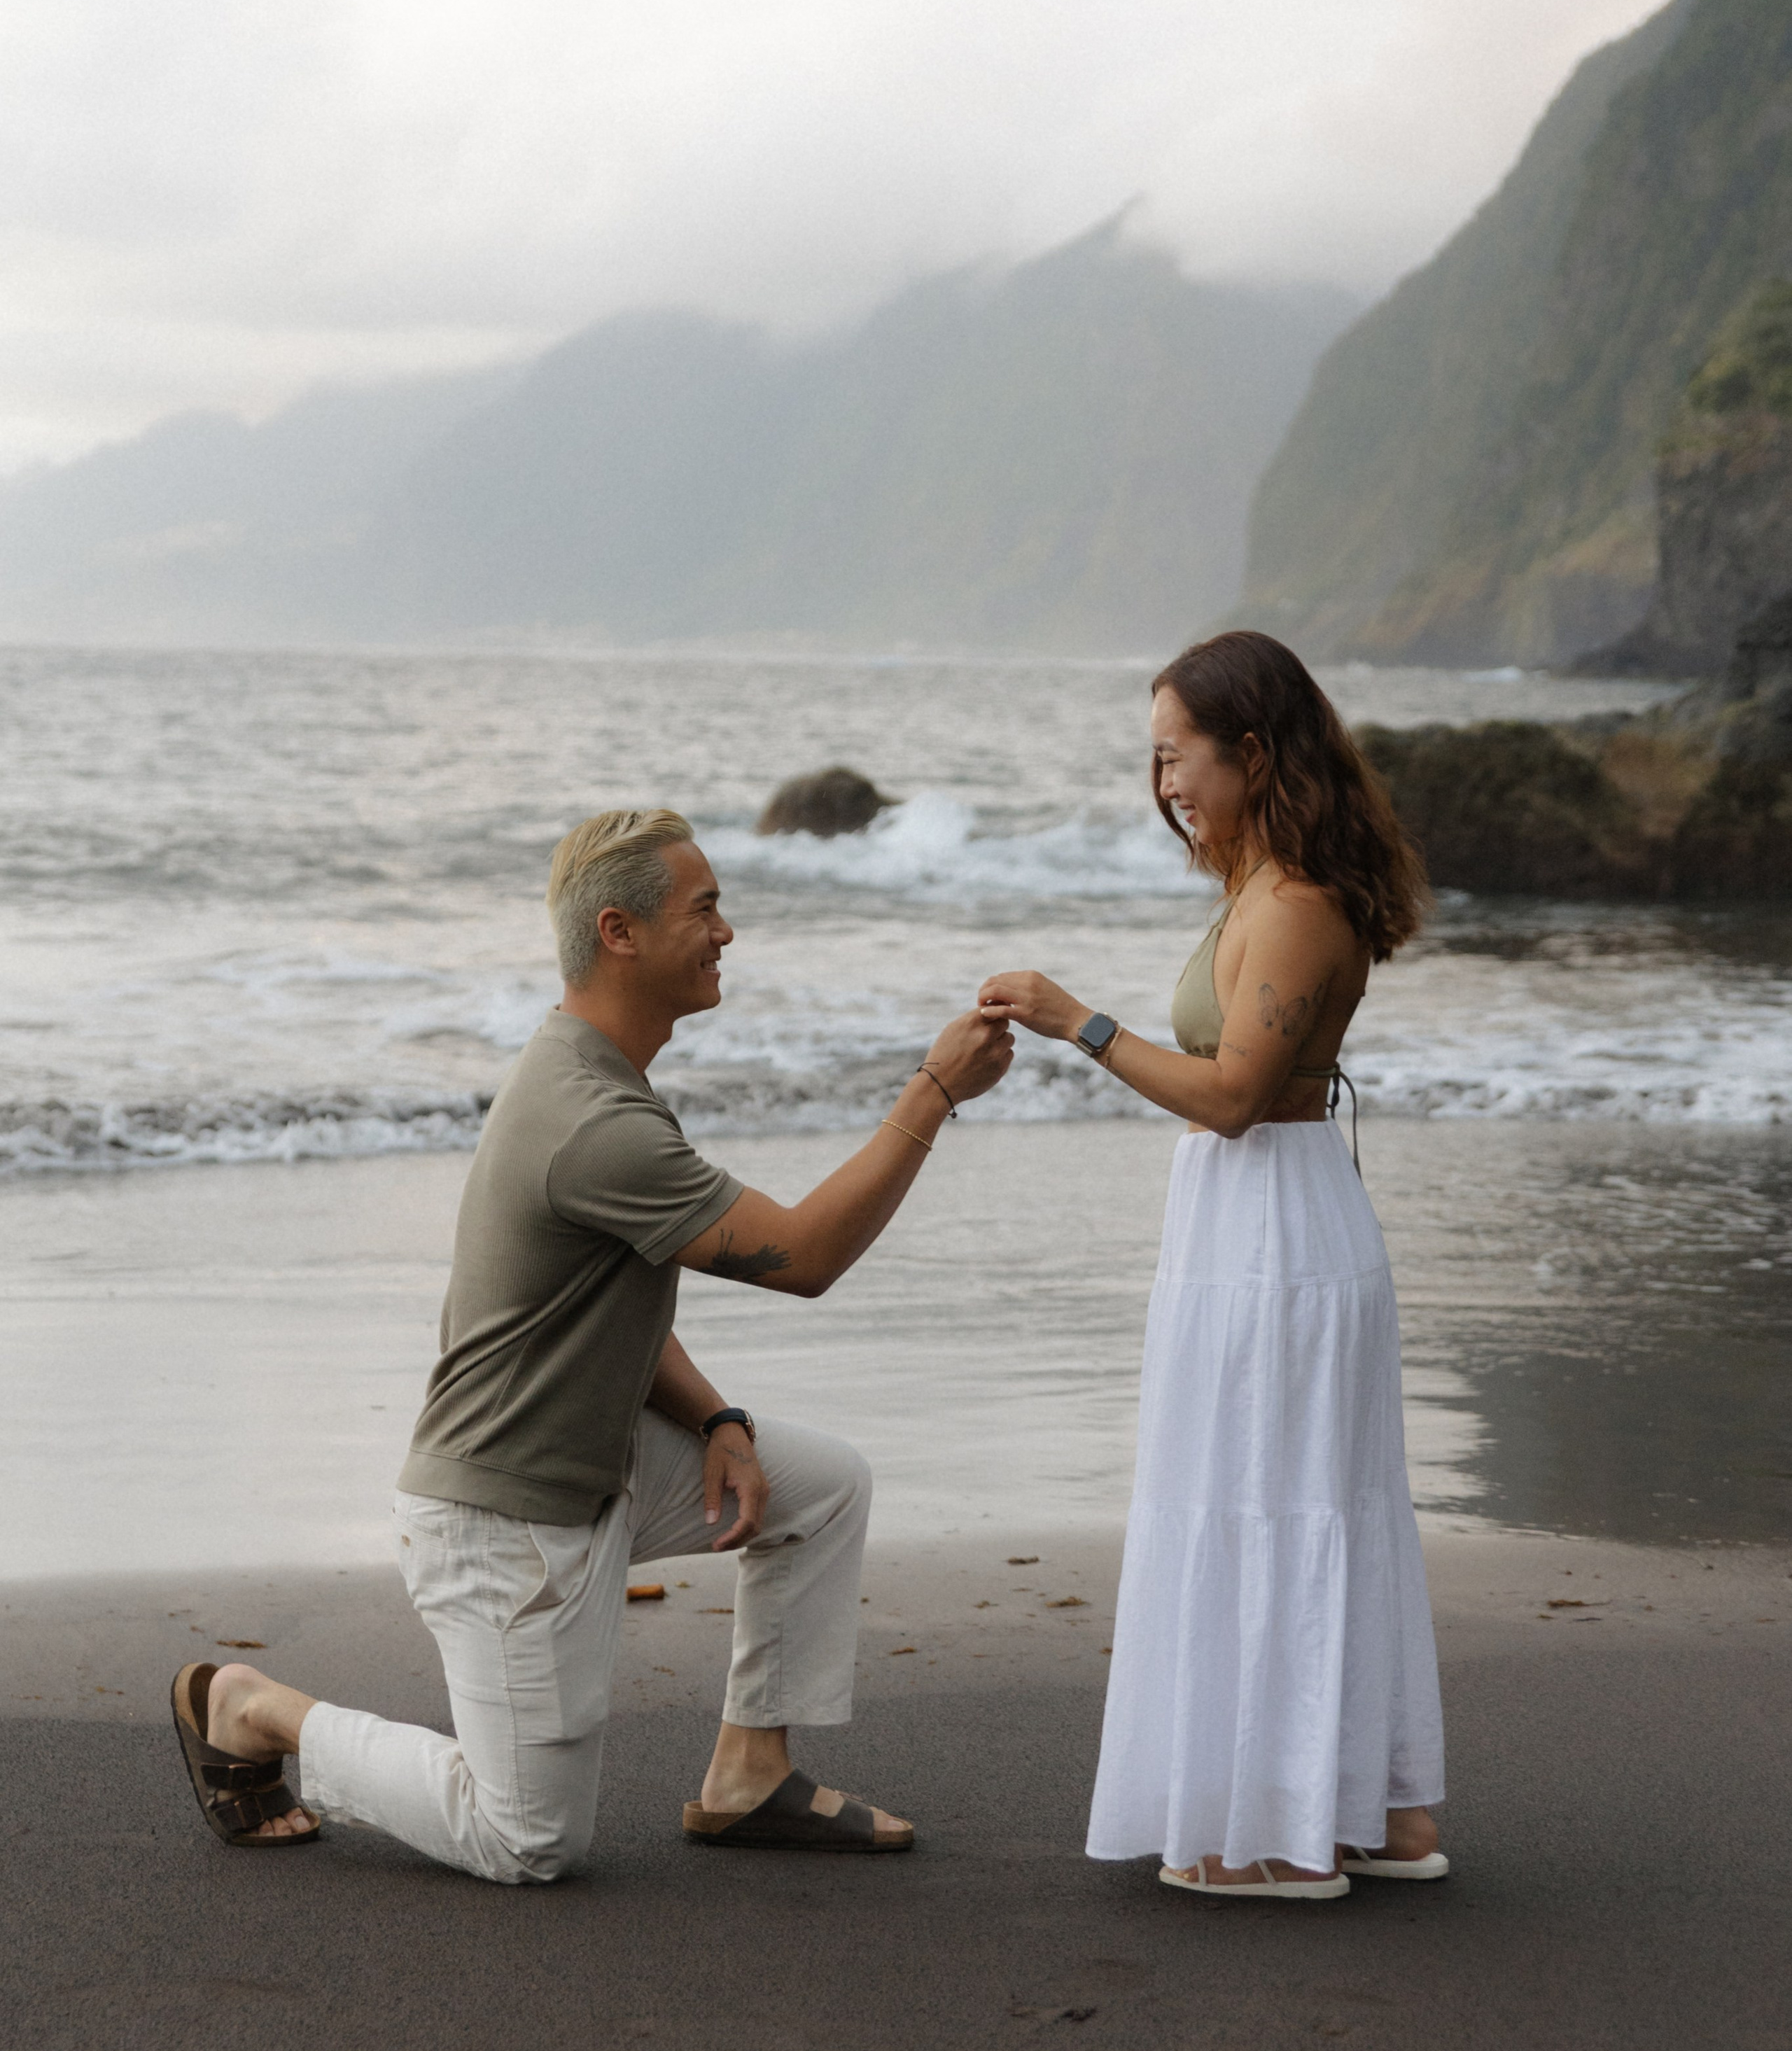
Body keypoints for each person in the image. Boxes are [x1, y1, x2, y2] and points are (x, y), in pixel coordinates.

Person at [172, 808, 1012, 1879]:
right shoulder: (592, 1119)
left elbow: (596, 1305)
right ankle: (252, 1708)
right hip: (500, 1519)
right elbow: (804, 1257)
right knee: (524, 1841)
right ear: (620, 932)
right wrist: (933, 1092)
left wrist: (717, 1420)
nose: (728, 932)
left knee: (820, 1488)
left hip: (597, 1461)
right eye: (705, 909)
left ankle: (750, 1773)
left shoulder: (595, 1075)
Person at [979, 632, 1446, 1900]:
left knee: (1264, 1500)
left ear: (1251, 749)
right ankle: (1374, 1813)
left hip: (1274, 1235)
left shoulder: (1295, 904)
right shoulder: (1265, 886)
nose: (1166, 779)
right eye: (1155, 757)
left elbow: (1235, 1095)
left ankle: (1268, 1840)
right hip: (1261, 1224)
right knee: (1309, 1500)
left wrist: (1080, 1020)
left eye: (1177, 753)